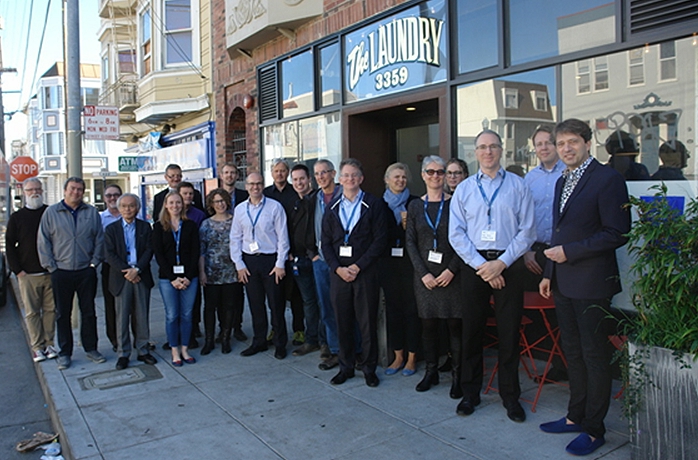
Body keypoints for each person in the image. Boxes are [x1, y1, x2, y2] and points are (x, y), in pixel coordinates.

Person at [539, 119, 630, 456]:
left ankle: (595, 429)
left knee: (594, 356)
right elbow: (559, 231)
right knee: (572, 353)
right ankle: (575, 415)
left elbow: (618, 232)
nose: (565, 148)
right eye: (560, 143)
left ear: (588, 143)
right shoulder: (563, 179)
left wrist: (568, 254)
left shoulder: (607, 179)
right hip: (563, 281)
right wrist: (550, 271)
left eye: (572, 142)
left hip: (592, 283)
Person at [449, 130, 535, 422]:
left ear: (501, 150)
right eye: (482, 147)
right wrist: (482, 267)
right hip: (475, 267)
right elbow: (456, 234)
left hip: (508, 265)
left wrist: (501, 263)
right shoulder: (464, 189)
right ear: (476, 152)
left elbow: (528, 231)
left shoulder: (518, 186)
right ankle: (470, 393)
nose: (488, 152)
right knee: (472, 332)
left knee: (509, 333)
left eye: (493, 146)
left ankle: (510, 396)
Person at [322, 158, 387, 388]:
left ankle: (369, 368)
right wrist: (338, 269)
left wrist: (358, 266)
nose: (350, 179)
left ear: (361, 179)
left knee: (367, 322)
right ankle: (346, 367)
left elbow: (380, 241)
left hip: (365, 272)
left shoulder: (374, 204)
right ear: (340, 179)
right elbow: (326, 244)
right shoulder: (332, 208)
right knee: (343, 322)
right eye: (346, 175)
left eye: (354, 175)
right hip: (339, 275)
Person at [405, 156, 463, 397]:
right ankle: (431, 371)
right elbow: (411, 242)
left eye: (441, 172)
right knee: (428, 327)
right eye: (431, 172)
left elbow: (464, 241)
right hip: (425, 278)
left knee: (455, 327)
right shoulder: (415, 206)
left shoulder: (457, 204)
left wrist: (451, 269)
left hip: (453, 276)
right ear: (422, 175)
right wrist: (424, 274)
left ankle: (458, 377)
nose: (436, 176)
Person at [38, 177, 106, 370]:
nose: (76, 192)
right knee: (63, 313)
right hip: (61, 271)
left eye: (79, 189)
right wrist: (52, 267)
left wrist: (94, 263)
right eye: (72, 189)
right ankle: (65, 352)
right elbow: (43, 242)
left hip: (86, 270)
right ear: (65, 190)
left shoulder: (91, 212)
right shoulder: (51, 213)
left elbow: (99, 239)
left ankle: (91, 348)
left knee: (89, 311)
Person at [522, 125, 568, 382]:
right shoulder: (530, 179)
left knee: (566, 312)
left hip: (566, 252)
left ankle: (571, 367)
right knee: (546, 314)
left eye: (548, 142)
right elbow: (524, 218)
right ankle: (556, 366)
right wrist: (527, 251)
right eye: (539, 144)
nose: (544, 148)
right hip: (538, 254)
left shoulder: (572, 174)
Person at [230, 172, 290, 360]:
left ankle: (280, 343)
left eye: (258, 183)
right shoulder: (240, 209)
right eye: (251, 184)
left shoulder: (274, 207)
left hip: (271, 261)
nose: (255, 187)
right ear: (246, 186)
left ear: (263, 185)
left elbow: (283, 238)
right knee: (256, 304)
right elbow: (235, 238)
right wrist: (239, 264)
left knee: (276, 305)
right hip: (249, 262)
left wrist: (280, 264)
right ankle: (259, 341)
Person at [6, 178, 57, 363]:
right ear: (24, 192)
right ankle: (37, 347)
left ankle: (50, 343)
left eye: (37, 189)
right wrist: (18, 271)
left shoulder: (50, 212)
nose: (34, 192)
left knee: (51, 310)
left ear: (42, 190)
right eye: (30, 190)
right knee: (32, 313)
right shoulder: (17, 217)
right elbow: (10, 245)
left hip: (50, 272)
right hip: (28, 275)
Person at [104, 193, 157, 370]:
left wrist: (137, 269)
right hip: (122, 278)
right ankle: (123, 353)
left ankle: (143, 350)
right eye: (124, 206)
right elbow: (109, 253)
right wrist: (127, 271)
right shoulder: (111, 229)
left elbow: (150, 250)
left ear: (138, 208)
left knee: (142, 315)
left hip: (140, 275)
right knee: (122, 316)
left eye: (132, 206)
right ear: (119, 208)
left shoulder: (145, 227)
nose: (128, 209)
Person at [381, 162, 420, 376]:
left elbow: (421, 237)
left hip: (410, 265)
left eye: (403, 177)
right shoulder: (379, 205)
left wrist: (407, 228)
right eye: (395, 177)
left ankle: (413, 358)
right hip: (388, 266)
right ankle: (398, 356)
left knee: (412, 311)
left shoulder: (415, 204)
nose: (400, 180)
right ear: (387, 180)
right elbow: (377, 236)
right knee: (393, 311)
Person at [152, 191, 200, 366]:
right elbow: (159, 255)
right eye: (171, 203)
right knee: (172, 315)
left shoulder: (191, 226)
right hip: (168, 279)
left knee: (187, 315)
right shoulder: (158, 227)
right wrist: (173, 278)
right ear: (165, 205)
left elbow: (195, 253)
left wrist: (187, 276)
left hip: (189, 278)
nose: (175, 206)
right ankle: (174, 350)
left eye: (178, 203)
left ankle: (185, 349)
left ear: (183, 205)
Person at [264, 158, 305, 346]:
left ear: (287, 173)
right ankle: (276, 328)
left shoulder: (295, 193)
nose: (280, 174)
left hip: (292, 252)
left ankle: (299, 330)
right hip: (272, 253)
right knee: (275, 295)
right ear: (271, 173)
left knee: (296, 294)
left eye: (283, 171)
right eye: (276, 171)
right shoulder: (265, 194)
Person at [288, 164, 324, 357]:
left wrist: (317, 254)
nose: (299, 182)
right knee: (308, 302)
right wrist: (291, 253)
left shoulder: (319, 200)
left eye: (302, 178)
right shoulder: (295, 203)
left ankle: (326, 343)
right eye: (295, 179)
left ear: (309, 178)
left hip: (317, 260)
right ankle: (312, 340)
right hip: (299, 261)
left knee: (323, 302)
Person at [199, 189, 239, 355]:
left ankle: (225, 337)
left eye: (223, 200)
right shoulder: (206, 224)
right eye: (216, 201)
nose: (220, 204)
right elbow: (201, 250)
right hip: (211, 272)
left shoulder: (235, 221)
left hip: (231, 272)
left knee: (229, 306)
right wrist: (202, 272)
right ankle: (209, 340)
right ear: (211, 204)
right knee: (210, 307)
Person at [312, 160, 343, 370]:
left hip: (343, 262)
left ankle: (354, 351)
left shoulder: (345, 195)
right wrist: (312, 253)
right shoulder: (314, 199)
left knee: (347, 308)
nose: (321, 176)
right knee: (327, 308)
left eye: (324, 172)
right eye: (317, 174)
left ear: (333, 173)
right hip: (322, 262)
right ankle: (335, 351)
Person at [217, 162, 249, 342]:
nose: (229, 175)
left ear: (237, 176)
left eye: (233, 173)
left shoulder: (245, 195)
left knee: (238, 293)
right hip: (220, 255)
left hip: (242, 251)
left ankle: (237, 327)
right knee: (222, 295)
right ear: (221, 175)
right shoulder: (214, 196)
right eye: (226, 172)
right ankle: (223, 328)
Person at [100, 184, 123, 352]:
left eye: (116, 195)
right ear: (104, 198)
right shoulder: (100, 219)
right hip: (110, 267)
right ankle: (115, 339)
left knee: (133, 306)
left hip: (131, 268)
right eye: (109, 195)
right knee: (111, 305)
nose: (112, 198)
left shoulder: (129, 214)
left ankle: (137, 338)